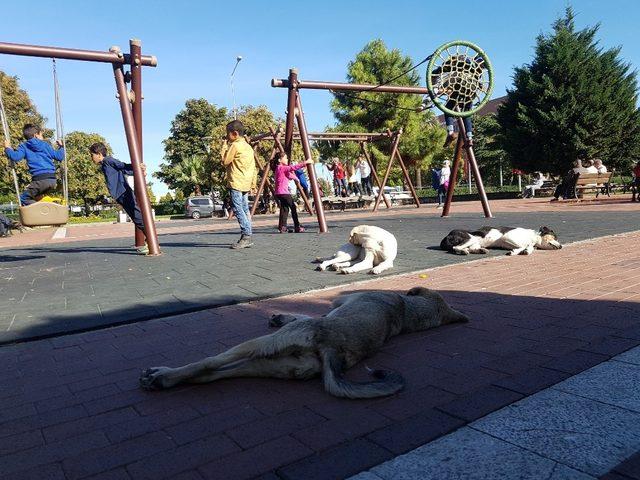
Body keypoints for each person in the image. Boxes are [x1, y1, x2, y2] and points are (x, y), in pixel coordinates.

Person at [89, 142, 149, 254]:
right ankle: (149, 241)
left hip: (123, 193)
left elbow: (123, 165)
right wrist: (137, 171)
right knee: (135, 216)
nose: (91, 158)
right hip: (121, 194)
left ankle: (151, 241)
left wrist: (138, 168)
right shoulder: (105, 164)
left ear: (98, 154)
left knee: (137, 216)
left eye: (92, 155)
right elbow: (123, 170)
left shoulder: (108, 160)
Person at [431, 55, 484, 148]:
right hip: (471, 90)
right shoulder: (477, 71)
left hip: (460, 85)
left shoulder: (459, 65)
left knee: (448, 109)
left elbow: (440, 70)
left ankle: (450, 132)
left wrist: (436, 74)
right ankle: (470, 138)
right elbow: (480, 84)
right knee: (467, 114)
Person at [4, 124, 65, 205]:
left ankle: (41, 208)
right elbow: (59, 157)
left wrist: (7, 148)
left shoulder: (24, 146)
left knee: (23, 199)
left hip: (39, 180)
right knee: (37, 196)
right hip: (52, 180)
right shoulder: (45, 145)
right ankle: (48, 203)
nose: (43, 137)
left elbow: (15, 157)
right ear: (36, 135)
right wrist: (61, 147)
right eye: (41, 134)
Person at [221, 120, 256, 249]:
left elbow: (225, 161)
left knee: (237, 208)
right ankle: (248, 235)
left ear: (234, 134)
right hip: (246, 182)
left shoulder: (234, 146)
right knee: (245, 208)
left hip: (236, 181)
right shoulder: (248, 147)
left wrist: (224, 146)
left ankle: (246, 234)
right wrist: (253, 183)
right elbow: (253, 167)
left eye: (228, 134)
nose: (227, 137)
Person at [272, 152, 313, 233]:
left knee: (285, 209)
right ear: (280, 160)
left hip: (278, 193)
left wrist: (296, 178)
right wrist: (306, 162)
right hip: (284, 192)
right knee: (293, 208)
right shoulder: (282, 168)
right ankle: (297, 226)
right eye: (285, 158)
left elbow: (289, 175)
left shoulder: (278, 169)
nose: (287, 159)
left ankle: (283, 227)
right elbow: (293, 168)